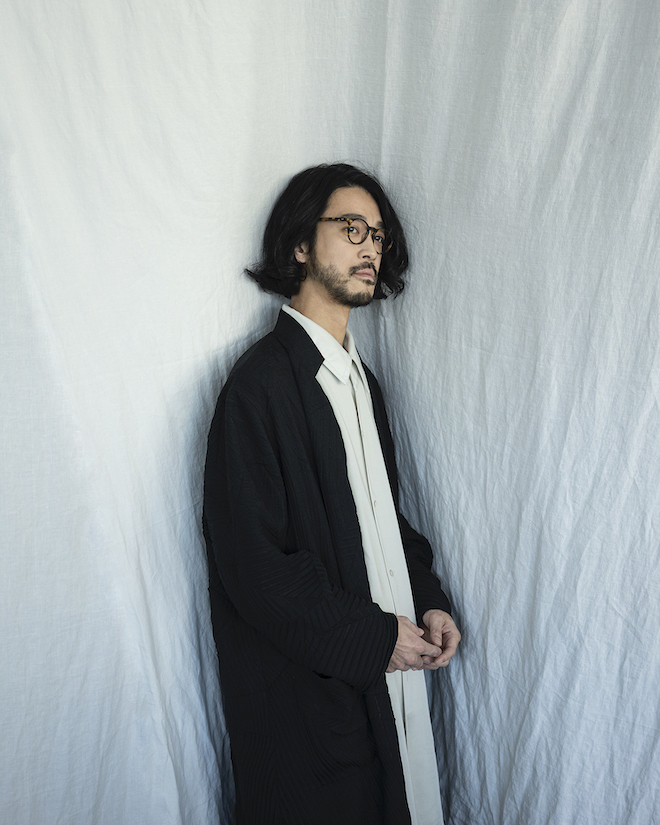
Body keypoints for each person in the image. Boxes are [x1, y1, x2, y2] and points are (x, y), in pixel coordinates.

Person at [203, 163, 460, 825]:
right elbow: (255, 568)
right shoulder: (258, 387)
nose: (370, 246)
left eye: (377, 234)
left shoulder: (359, 381)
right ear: (298, 244)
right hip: (307, 713)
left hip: (384, 685)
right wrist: (373, 638)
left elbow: (382, 522)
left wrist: (427, 599)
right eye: (351, 228)